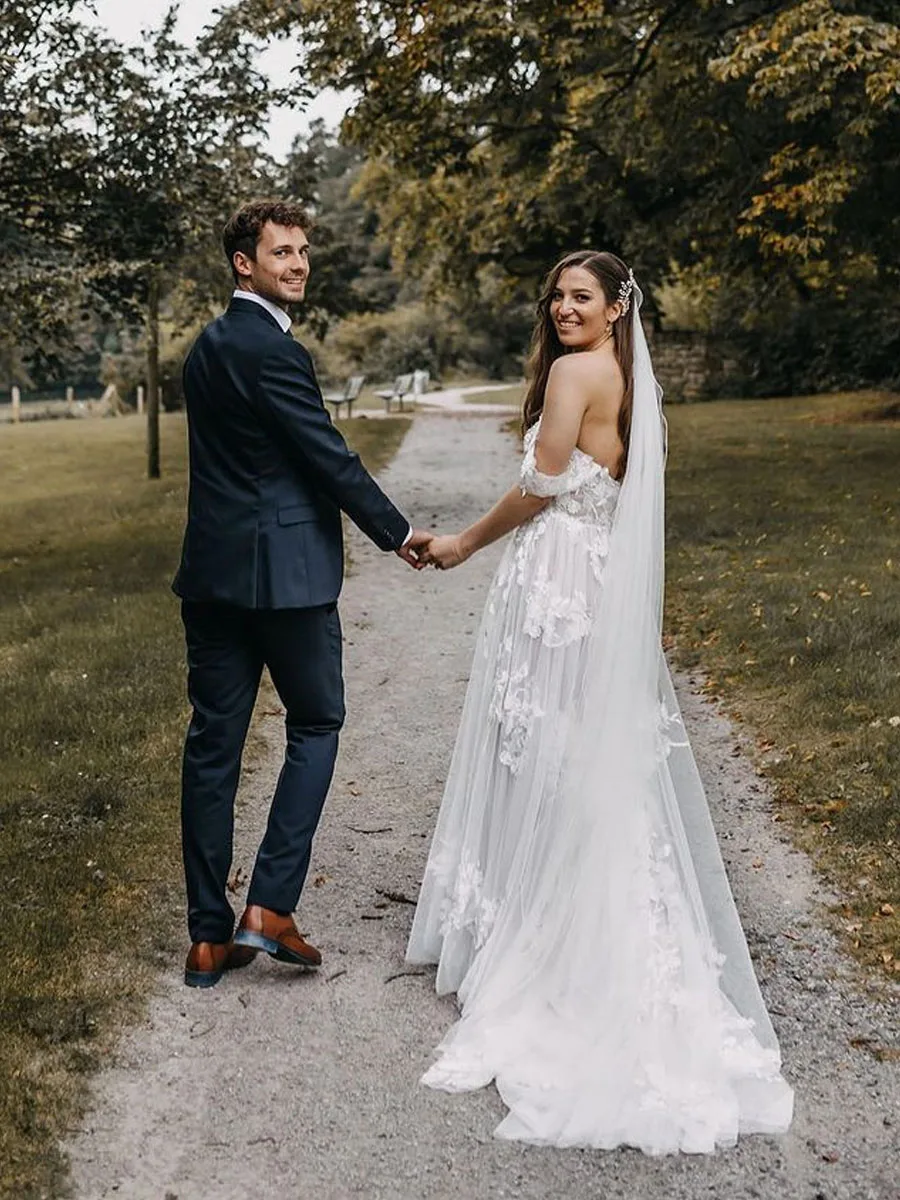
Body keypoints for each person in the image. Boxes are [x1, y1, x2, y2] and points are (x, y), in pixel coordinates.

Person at [407, 250, 794, 1153]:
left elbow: (543, 486)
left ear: (618, 306)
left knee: (542, 748)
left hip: (555, 586)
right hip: (596, 582)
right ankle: (568, 910)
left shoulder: (578, 373)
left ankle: (548, 932)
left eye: (582, 295)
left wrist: (463, 543)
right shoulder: (628, 379)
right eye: (557, 294)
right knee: (580, 756)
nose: (565, 306)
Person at [174, 198, 432, 989]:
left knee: (214, 746)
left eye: (304, 252)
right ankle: (270, 908)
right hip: (286, 582)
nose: (298, 264)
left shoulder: (203, 350)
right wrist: (397, 532)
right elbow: (326, 456)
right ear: (242, 264)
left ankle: (206, 938)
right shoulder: (275, 352)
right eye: (281, 252)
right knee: (317, 722)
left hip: (214, 579)